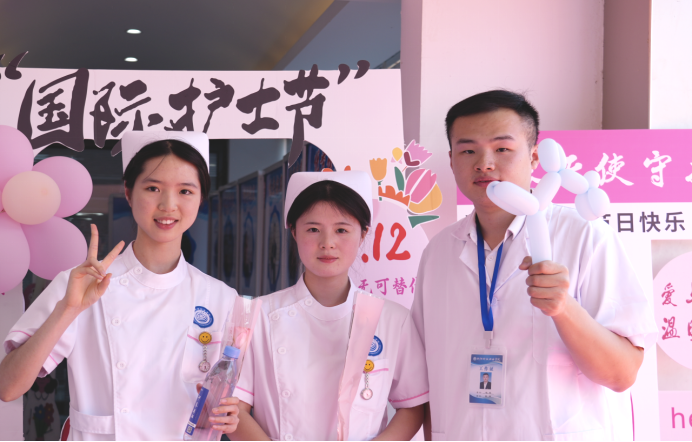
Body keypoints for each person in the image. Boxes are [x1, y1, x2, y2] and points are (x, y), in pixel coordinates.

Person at [411, 90, 657, 440]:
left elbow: (622, 374)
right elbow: (427, 378)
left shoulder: (585, 236)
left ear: (534, 157)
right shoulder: (438, 253)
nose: (484, 163)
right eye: (468, 151)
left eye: (502, 149)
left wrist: (564, 309)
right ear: (451, 160)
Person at [0, 132, 241, 440]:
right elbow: (8, 387)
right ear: (128, 192)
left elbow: (227, 404)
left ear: (201, 199)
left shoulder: (221, 298)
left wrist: (226, 416)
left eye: (185, 191)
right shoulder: (82, 284)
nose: (168, 205)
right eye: (153, 188)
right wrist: (68, 309)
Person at [231, 172, 429, 441]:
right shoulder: (259, 315)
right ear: (294, 232)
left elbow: (412, 406)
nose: (327, 243)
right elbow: (235, 409)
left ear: (363, 234)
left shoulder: (392, 320)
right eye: (313, 229)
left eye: (341, 230)